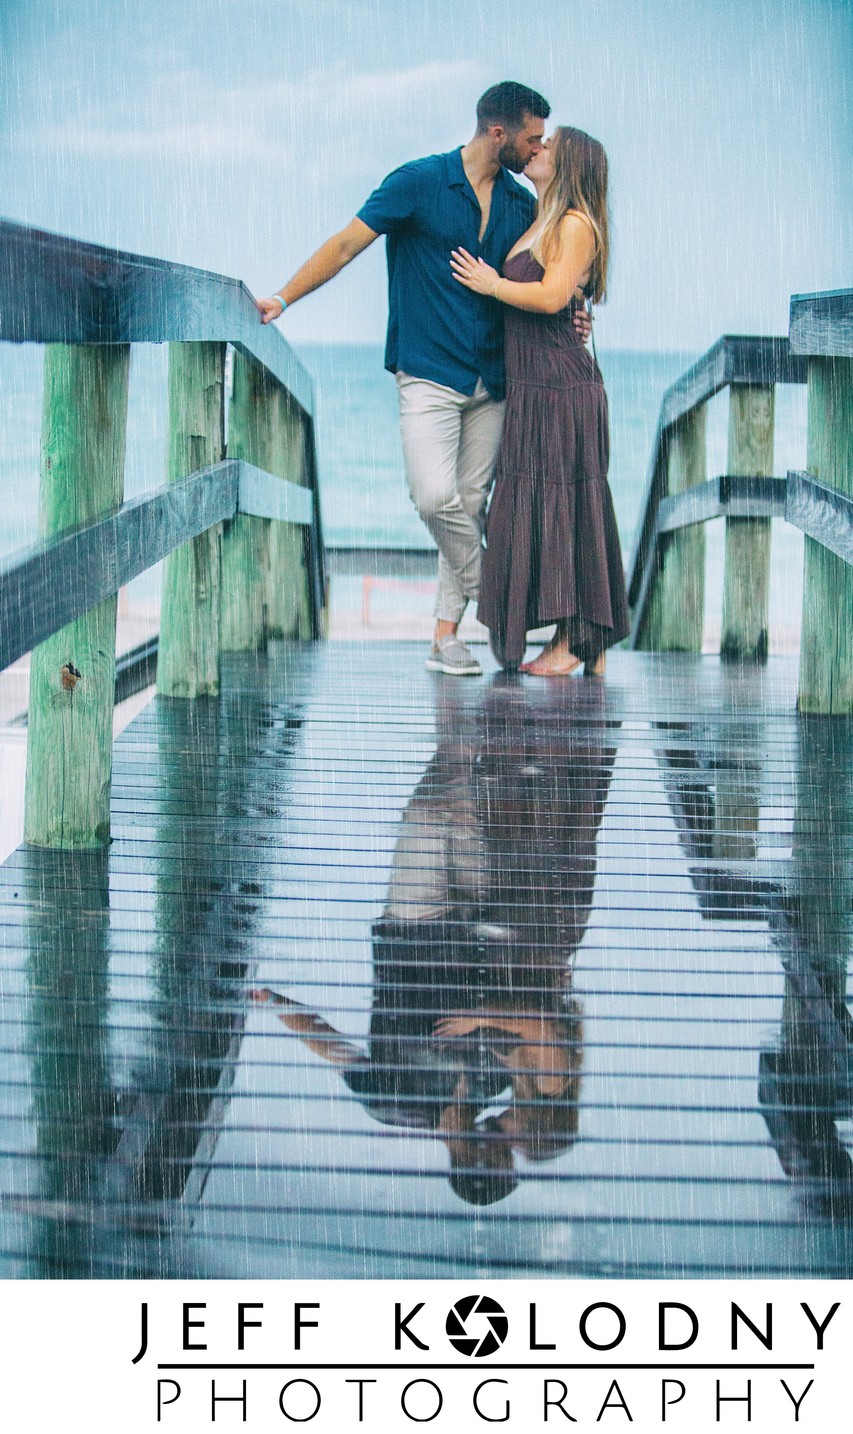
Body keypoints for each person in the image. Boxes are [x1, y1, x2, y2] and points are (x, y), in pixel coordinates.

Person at [256, 82, 591, 676]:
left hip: (494, 378)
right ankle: (497, 596)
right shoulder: (418, 182)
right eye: (532, 138)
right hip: (428, 370)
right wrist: (285, 297)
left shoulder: (520, 202)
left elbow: (548, 270)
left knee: (468, 503)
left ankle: (445, 637)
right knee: (433, 496)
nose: (538, 148)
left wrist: (576, 308)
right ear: (498, 132)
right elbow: (344, 245)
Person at [451, 127, 629, 675]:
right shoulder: (543, 220)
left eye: (549, 145)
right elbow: (562, 296)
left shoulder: (575, 223)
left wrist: (490, 284)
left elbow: (552, 295)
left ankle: (574, 641)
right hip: (534, 387)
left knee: (566, 509)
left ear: (569, 162)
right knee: (536, 508)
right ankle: (578, 637)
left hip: (560, 386)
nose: (538, 150)